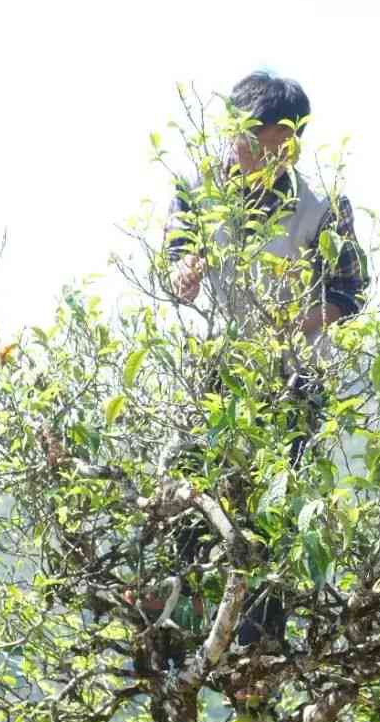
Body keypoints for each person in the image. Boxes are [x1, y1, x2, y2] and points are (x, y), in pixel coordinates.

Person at [155, 70, 368, 653]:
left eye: (280, 145)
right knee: (192, 492)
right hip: (217, 374)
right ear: (232, 133)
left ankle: (260, 644)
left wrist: (297, 324)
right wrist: (185, 274)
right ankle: (185, 630)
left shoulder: (320, 204)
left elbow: (349, 291)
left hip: (292, 377)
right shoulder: (197, 191)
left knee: (272, 511)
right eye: (253, 141)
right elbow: (174, 263)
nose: (264, 156)